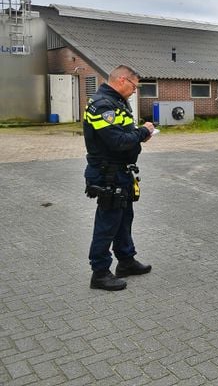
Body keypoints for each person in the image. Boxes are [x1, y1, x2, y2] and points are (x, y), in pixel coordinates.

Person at [83, 65, 155, 291]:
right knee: (107, 223)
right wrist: (143, 132)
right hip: (108, 174)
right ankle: (100, 273)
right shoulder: (103, 105)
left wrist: (138, 137)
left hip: (121, 172)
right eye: (134, 85)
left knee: (124, 219)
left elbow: (125, 135)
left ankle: (126, 261)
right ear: (122, 80)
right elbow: (117, 141)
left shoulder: (117, 102)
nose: (135, 90)